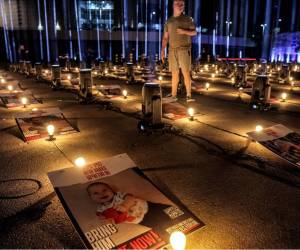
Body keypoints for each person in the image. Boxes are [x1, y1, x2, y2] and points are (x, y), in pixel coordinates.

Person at [161, 0, 197, 102]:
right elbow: (165, 37)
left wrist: (184, 31)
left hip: (184, 50)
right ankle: (173, 95)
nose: (181, 6)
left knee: (186, 72)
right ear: (173, 5)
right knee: (174, 73)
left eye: (182, 5)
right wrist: (162, 50)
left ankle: (189, 95)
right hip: (172, 50)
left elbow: (194, 32)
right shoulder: (169, 21)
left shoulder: (187, 19)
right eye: (178, 4)